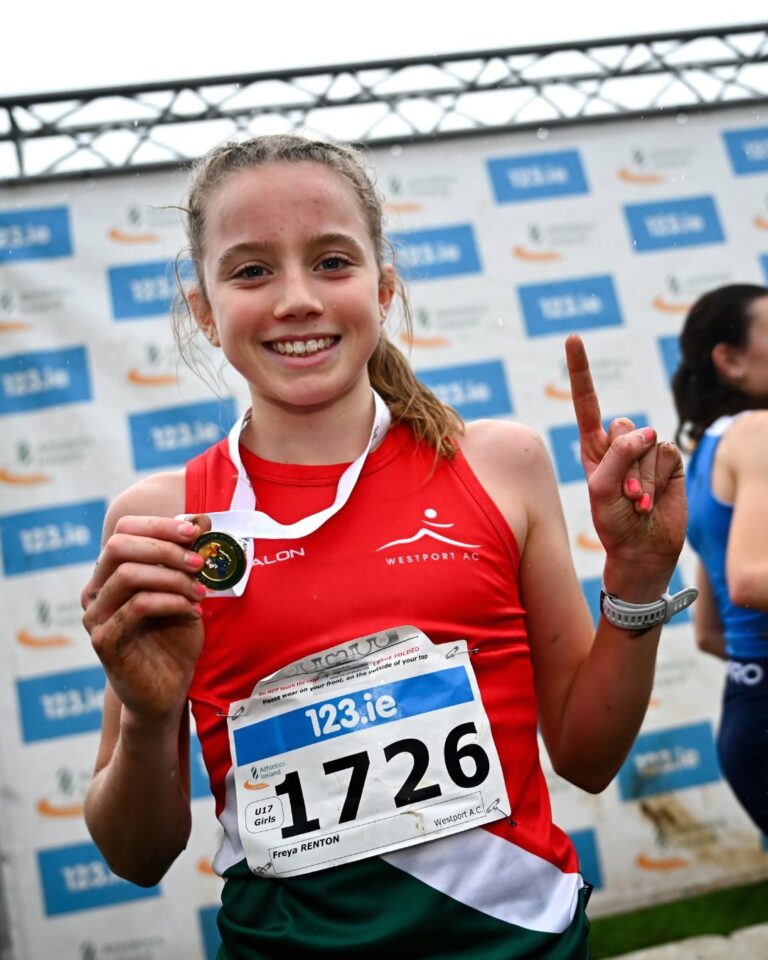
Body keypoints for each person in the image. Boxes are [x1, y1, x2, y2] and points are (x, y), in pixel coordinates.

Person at [81, 134, 691, 960]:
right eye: (251, 270)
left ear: (385, 285)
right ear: (204, 310)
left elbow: (586, 757)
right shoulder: (164, 524)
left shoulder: (500, 465)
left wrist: (638, 576)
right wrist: (153, 720)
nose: (296, 298)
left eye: (332, 261)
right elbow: (137, 855)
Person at [672, 283, 768, 835]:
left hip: (748, 717)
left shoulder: (709, 450)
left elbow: (709, 632)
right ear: (729, 361)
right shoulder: (757, 433)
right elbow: (752, 580)